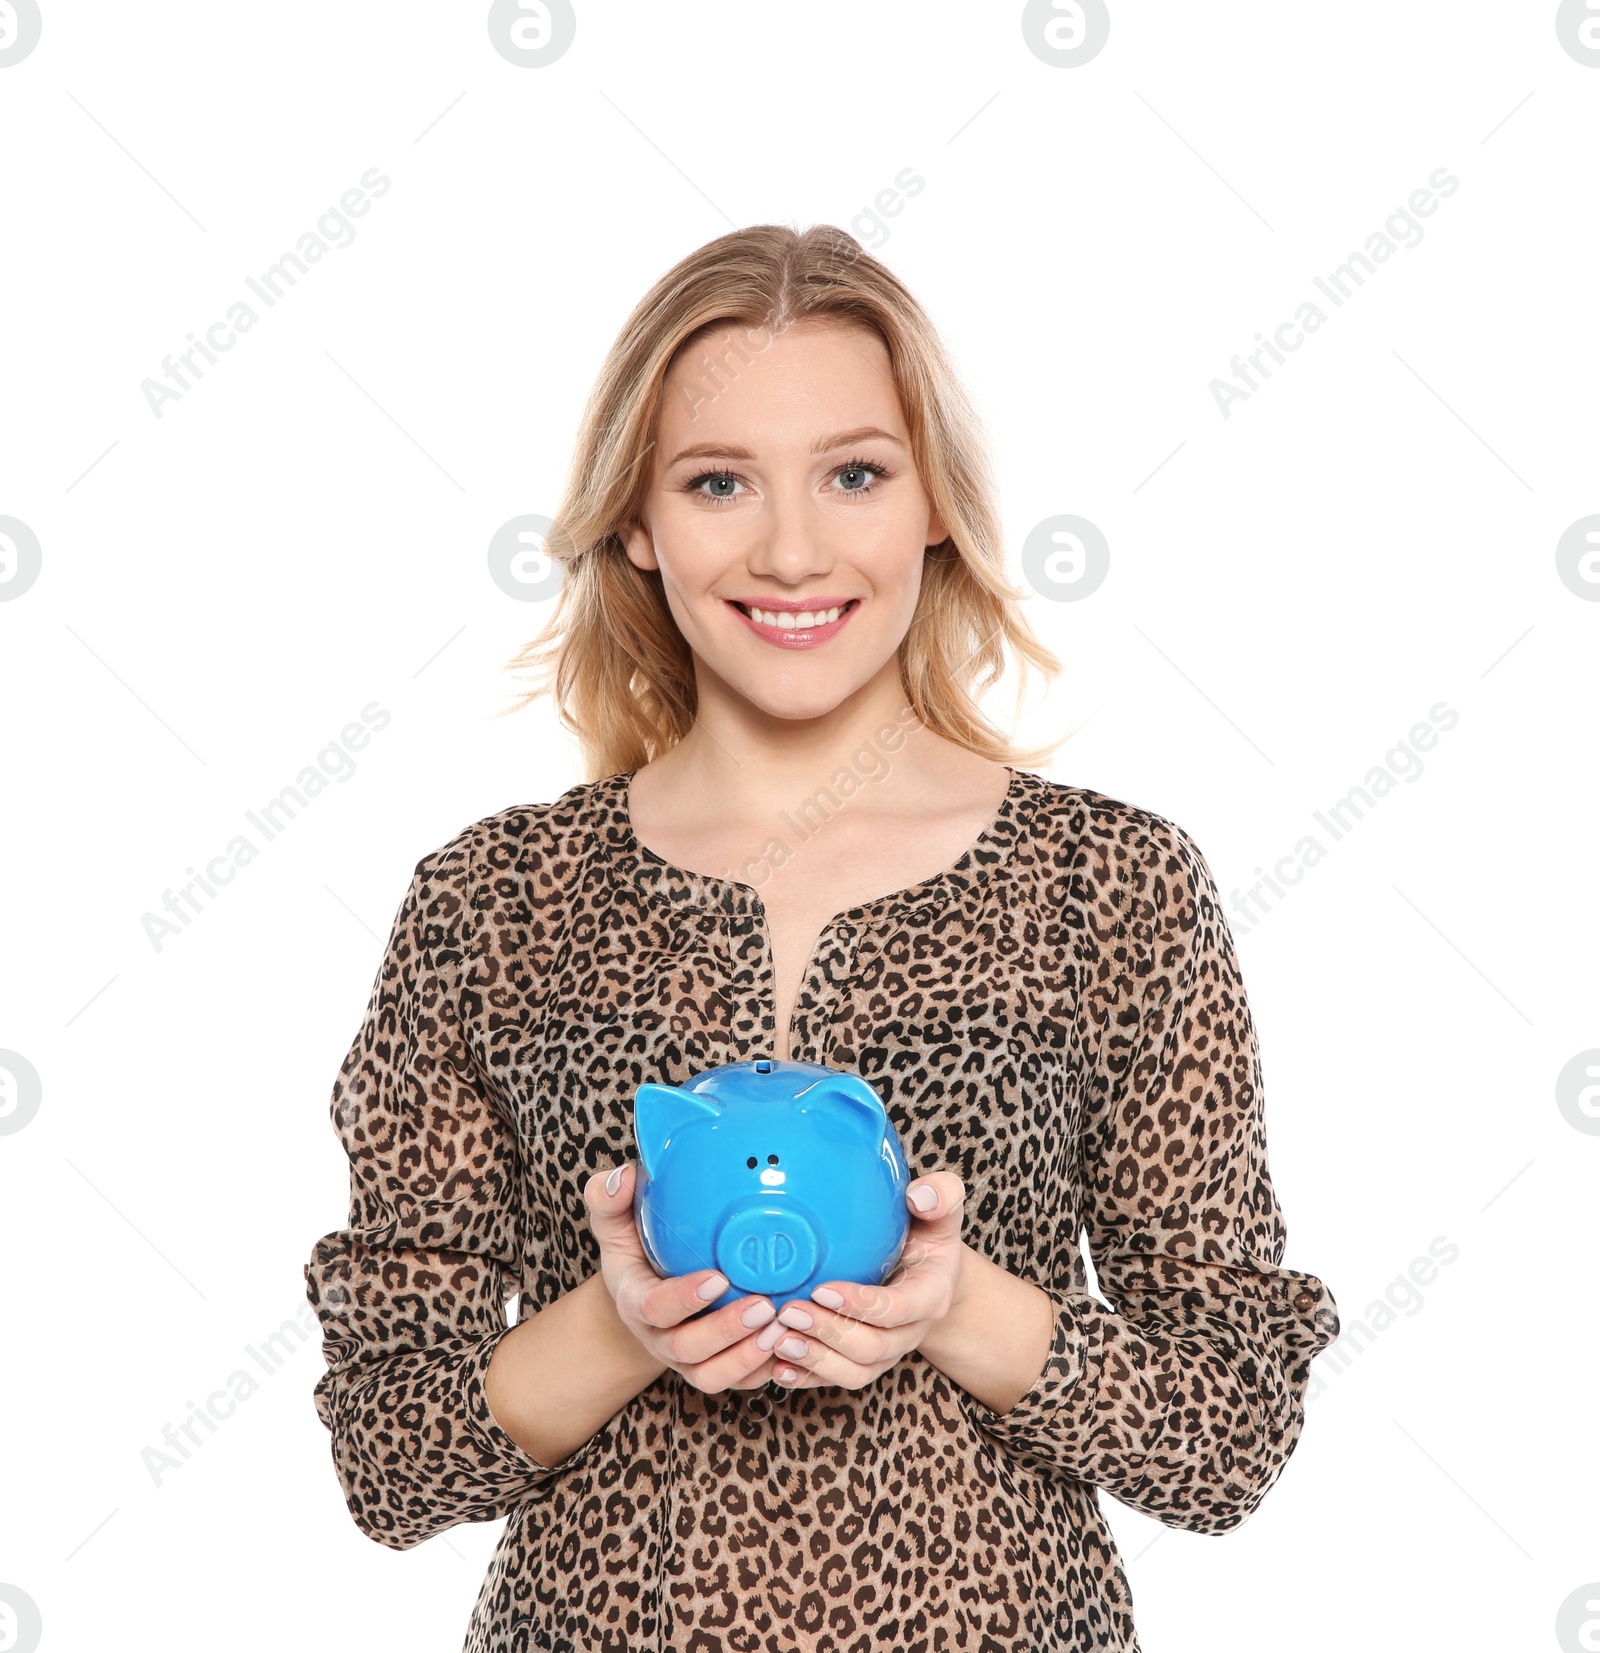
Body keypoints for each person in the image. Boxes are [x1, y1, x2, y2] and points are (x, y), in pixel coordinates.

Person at [304, 223, 1341, 1653]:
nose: (792, 548)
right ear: (637, 525)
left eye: (854, 472)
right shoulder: (498, 904)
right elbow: (386, 1457)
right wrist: (624, 1326)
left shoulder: (1111, 886)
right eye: (717, 481)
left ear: (931, 505)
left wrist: (955, 1304)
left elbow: (1226, 1435)